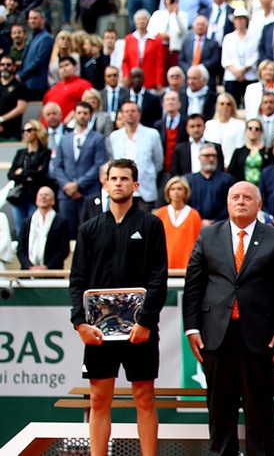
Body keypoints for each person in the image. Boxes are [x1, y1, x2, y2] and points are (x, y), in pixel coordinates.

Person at [183, 181, 274, 456]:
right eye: (235, 197)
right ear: (227, 203)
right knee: (220, 409)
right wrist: (191, 328)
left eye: (248, 197)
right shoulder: (208, 235)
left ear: (259, 204)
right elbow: (193, 287)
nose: (241, 201)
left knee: (259, 410)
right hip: (216, 336)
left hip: (260, 338)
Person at [69, 159, 168, 456]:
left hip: (139, 329)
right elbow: (78, 280)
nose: (119, 183)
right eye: (114, 178)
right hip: (99, 331)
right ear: (105, 183)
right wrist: (80, 322)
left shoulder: (151, 224)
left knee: (144, 398)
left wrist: (146, 321)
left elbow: (158, 277)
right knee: (99, 400)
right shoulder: (89, 228)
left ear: (136, 186)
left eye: (125, 179)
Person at [51, 101, 107, 234]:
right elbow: (57, 166)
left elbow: (98, 165)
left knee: (89, 230)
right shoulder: (64, 139)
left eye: (85, 113)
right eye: (79, 113)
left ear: (90, 115)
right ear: (74, 115)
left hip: (88, 192)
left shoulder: (98, 138)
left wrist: (78, 185)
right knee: (66, 232)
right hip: (66, 194)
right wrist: (67, 186)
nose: (82, 116)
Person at [109, 102, 165, 210]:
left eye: (133, 111)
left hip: (145, 191)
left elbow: (158, 162)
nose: (130, 114)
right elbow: (113, 161)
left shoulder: (152, 134)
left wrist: (149, 174)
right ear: (122, 115)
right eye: (126, 111)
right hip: (122, 191)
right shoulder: (114, 136)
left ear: (139, 114)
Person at [7, 120, 53, 231]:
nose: (25, 133)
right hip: (19, 196)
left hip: (34, 195)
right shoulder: (20, 152)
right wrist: (31, 174)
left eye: (29, 130)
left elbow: (42, 173)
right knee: (20, 228)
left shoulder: (44, 152)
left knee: (34, 228)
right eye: (23, 131)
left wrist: (22, 172)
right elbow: (11, 174)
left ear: (37, 132)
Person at [155, 176, 203, 270]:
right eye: (172, 189)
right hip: (164, 266)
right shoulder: (160, 213)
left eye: (179, 189)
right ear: (168, 192)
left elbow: (198, 242)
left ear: (185, 192)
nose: (176, 192)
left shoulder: (194, 215)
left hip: (187, 266)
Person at [17, 186, 69, 270]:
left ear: (53, 201)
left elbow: (64, 249)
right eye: (40, 195)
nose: (43, 197)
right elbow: (21, 248)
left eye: (46, 195)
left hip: (52, 272)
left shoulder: (61, 222)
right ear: (36, 200)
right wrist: (29, 266)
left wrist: (47, 266)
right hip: (28, 272)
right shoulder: (27, 222)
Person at [187, 143, 236, 224]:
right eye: (207, 156)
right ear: (199, 158)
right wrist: (199, 220)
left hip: (221, 225)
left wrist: (215, 221)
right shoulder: (189, 180)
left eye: (214, 156)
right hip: (193, 224)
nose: (211, 159)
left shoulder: (227, 180)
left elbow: (230, 204)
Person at [228, 119, 273, 184]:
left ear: (261, 132)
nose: (253, 131)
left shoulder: (268, 152)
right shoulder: (238, 152)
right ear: (246, 131)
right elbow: (232, 173)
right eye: (250, 128)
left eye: (257, 129)